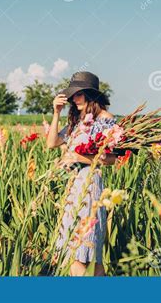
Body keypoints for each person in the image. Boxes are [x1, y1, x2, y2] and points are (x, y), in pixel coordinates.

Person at [46, 71, 117, 276]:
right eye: (72, 95)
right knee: (85, 253)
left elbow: (111, 159)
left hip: (90, 185)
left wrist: (77, 158)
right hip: (74, 187)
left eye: (78, 94)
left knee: (82, 248)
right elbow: (51, 143)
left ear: (90, 94)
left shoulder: (105, 119)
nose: (73, 99)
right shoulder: (78, 121)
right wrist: (56, 113)